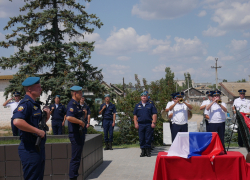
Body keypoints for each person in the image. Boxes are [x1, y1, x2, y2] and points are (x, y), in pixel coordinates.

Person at [12, 77, 50, 180]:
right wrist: (38, 131)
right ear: (30, 89)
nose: (41, 89)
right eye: (38, 87)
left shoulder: (34, 104)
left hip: (38, 148)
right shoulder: (26, 104)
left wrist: (46, 115)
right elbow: (17, 121)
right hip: (30, 149)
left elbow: (36, 124)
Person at [66, 86, 86, 180]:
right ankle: (72, 177)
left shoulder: (77, 105)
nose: (81, 95)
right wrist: (81, 122)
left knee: (77, 158)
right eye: (80, 93)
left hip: (79, 134)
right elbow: (69, 117)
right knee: (75, 158)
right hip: (75, 134)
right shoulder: (72, 104)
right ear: (75, 93)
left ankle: (75, 176)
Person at [133, 92, 157, 157]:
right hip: (140, 124)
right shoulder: (137, 105)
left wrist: (153, 122)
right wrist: (136, 123)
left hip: (148, 124)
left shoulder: (150, 105)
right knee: (141, 138)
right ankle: (143, 151)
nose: (144, 97)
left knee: (148, 137)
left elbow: (154, 114)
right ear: (141, 97)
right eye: (142, 96)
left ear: (147, 97)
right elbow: (135, 116)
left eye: (145, 96)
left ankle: (148, 151)